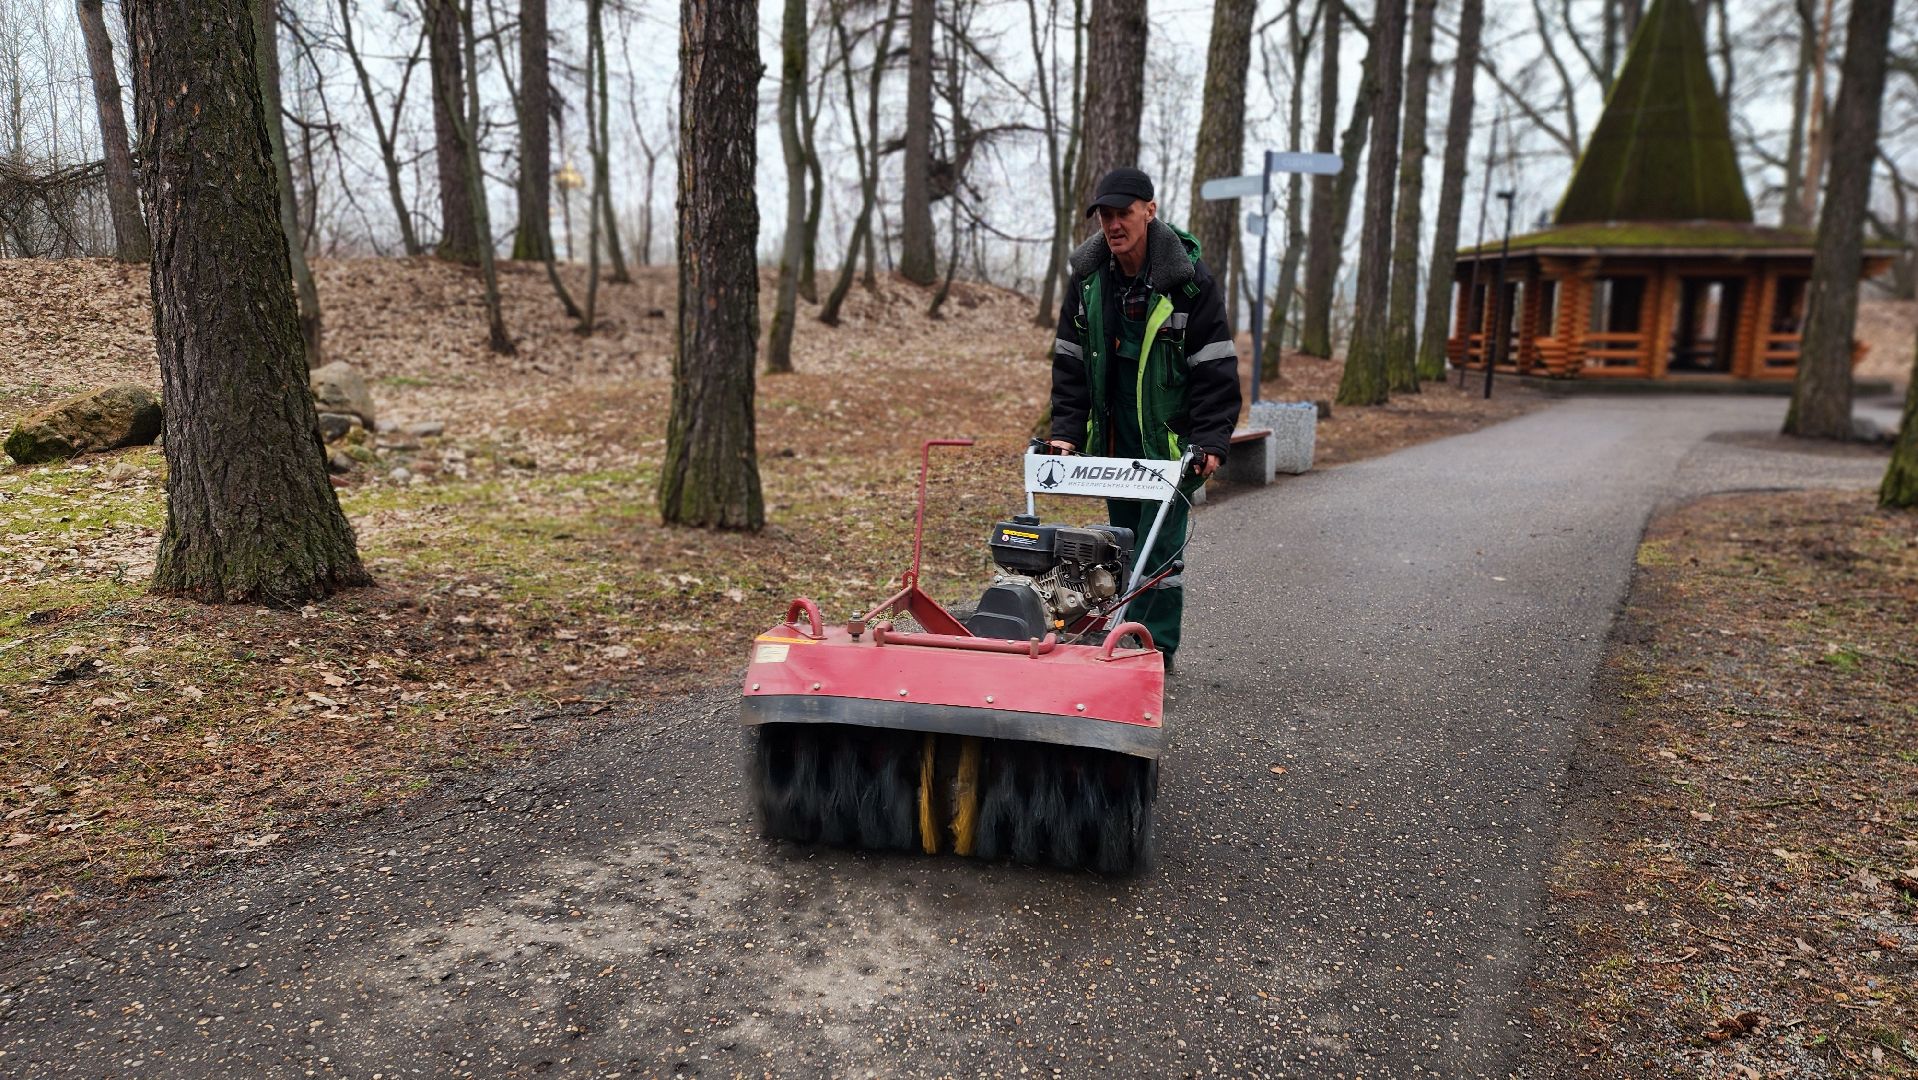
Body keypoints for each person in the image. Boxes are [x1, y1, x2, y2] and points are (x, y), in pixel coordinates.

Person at [1048, 167, 1241, 673]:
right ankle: (1118, 638)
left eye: (1123, 214)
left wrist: (1211, 438)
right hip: (1114, 433)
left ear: (1149, 211)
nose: (1114, 225)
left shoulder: (1188, 281)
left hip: (1169, 436)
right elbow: (1070, 363)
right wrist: (1066, 434)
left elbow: (1215, 364)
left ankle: (1157, 650)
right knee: (1122, 542)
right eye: (1106, 216)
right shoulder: (1090, 279)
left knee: (1162, 550)